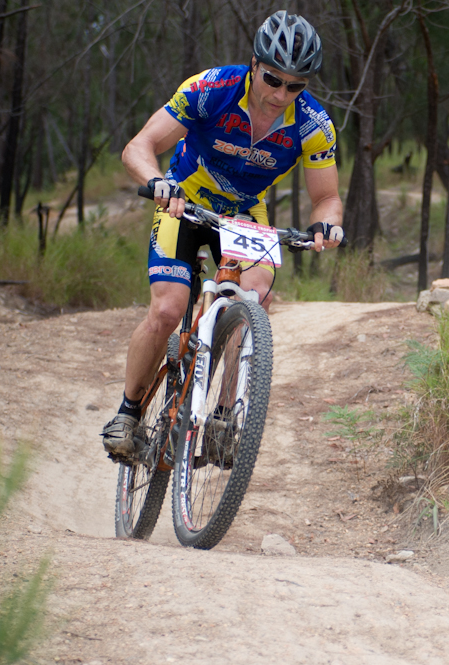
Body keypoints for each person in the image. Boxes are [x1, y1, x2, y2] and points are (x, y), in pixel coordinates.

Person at [102, 11, 344, 458]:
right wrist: (159, 182)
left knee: (253, 299)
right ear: (254, 64)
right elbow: (138, 146)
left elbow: (326, 198)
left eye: (295, 86)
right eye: (273, 79)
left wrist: (328, 225)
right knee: (169, 308)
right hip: (185, 201)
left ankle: (223, 416)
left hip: (244, 216)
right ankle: (128, 412)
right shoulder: (211, 89)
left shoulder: (312, 125)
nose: (280, 94)